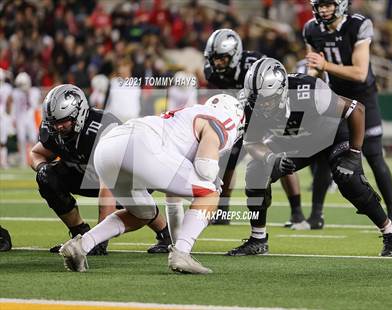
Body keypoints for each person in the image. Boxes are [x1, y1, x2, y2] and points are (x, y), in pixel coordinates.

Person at [227, 57, 392, 257]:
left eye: (266, 100)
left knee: (350, 178)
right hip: (295, 141)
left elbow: (356, 110)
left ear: (282, 90)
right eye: (257, 100)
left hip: (331, 136)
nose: (262, 105)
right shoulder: (252, 103)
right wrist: (271, 159)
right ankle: (258, 239)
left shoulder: (308, 92)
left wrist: (354, 154)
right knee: (256, 170)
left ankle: (390, 232)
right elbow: (252, 143)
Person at [59, 94, 244, 274]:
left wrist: (177, 241)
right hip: (140, 144)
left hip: (108, 147)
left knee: (142, 213)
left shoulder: (186, 119)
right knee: (211, 192)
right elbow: (206, 167)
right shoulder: (221, 119)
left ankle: (81, 245)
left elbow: (173, 198)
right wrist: (213, 179)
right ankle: (182, 253)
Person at [30, 84, 171, 255]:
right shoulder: (55, 130)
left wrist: (97, 240)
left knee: (128, 198)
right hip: (90, 175)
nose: (57, 127)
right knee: (46, 177)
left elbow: (108, 189)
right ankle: (79, 232)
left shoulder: (100, 129)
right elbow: (36, 153)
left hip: (133, 172)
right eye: (53, 123)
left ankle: (165, 234)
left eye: (62, 121)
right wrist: (43, 167)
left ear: (79, 114)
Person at [303, 0, 392, 229]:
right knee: (324, 155)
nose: (323, 10)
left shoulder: (358, 25)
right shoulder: (311, 28)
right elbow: (314, 67)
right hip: (335, 98)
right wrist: (310, 82)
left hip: (364, 97)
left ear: (341, 5)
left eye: (328, 5)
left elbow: (359, 72)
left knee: (374, 157)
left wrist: (324, 65)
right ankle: (316, 215)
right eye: (320, 5)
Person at [204, 28, 305, 229]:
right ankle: (223, 211)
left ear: (234, 55)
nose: (217, 63)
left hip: (270, 112)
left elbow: (277, 82)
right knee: (228, 160)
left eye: (222, 58)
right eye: (214, 58)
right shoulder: (211, 72)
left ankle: (297, 212)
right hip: (243, 115)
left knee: (282, 158)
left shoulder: (254, 64)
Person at [12, 72, 40, 167]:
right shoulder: (16, 93)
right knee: (21, 139)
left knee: (33, 139)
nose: (21, 87)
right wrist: (14, 119)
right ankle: (23, 161)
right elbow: (14, 107)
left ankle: (36, 159)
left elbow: (35, 105)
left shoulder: (35, 91)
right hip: (20, 117)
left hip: (30, 117)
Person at [0, 69, 13, 168]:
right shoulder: (7, 87)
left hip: (3, 115)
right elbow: (9, 102)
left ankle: (3, 162)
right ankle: (3, 162)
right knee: (3, 141)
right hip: (3, 115)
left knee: (3, 140)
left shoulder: (7, 88)